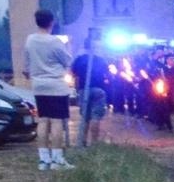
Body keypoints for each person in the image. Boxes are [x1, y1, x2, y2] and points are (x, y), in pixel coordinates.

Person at [24, 10, 74, 168]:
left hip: (38, 85)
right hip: (56, 85)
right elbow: (67, 61)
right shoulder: (55, 42)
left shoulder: (30, 40)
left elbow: (27, 64)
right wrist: (69, 46)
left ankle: (43, 158)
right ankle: (57, 159)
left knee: (43, 120)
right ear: (51, 22)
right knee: (57, 121)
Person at [70, 41, 111, 147]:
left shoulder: (79, 59)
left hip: (84, 89)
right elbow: (107, 74)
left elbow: (73, 73)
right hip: (98, 89)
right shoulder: (100, 59)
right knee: (95, 117)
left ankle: (82, 141)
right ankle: (94, 143)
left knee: (85, 117)